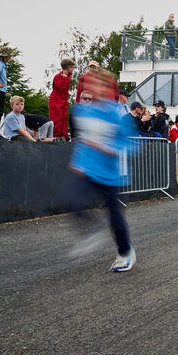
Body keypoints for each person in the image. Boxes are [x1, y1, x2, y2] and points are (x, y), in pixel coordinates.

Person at [67, 70, 138, 272]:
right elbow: (84, 140)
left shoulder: (118, 113)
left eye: (100, 85)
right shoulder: (81, 110)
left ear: (107, 89)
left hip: (110, 174)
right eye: (92, 84)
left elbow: (131, 146)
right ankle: (92, 231)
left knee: (115, 216)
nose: (95, 88)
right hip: (87, 169)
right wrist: (77, 163)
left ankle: (125, 253)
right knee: (72, 201)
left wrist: (109, 149)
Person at [50, 58, 74, 140]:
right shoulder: (58, 77)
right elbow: (61, 87)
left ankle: (64, 136)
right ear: (67, 67)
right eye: (72, 67)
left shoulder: (68, 76)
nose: (73, 69)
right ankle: (56, 137)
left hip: (63, 100)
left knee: (64, 118)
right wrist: (64, 78)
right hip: (56, 100)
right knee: (57, 118)